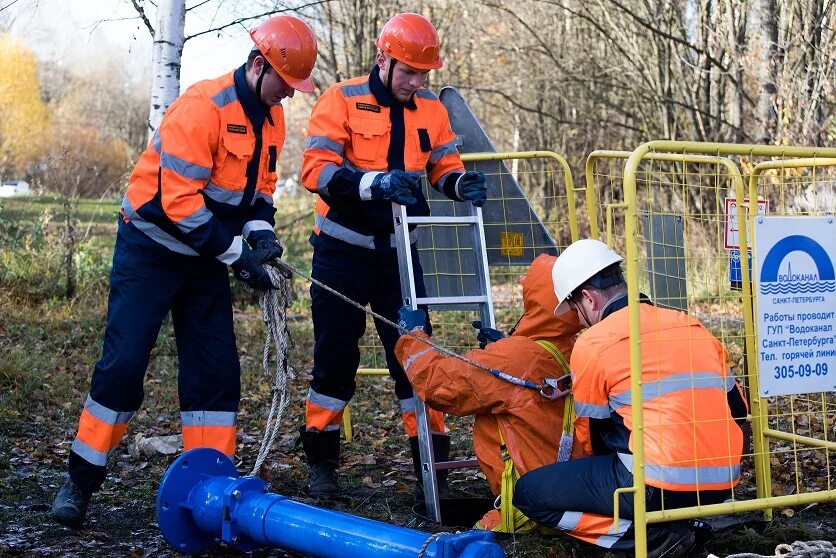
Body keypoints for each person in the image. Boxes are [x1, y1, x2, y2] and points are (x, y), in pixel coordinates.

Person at [50, 15, 318, 529]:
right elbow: (179, 203)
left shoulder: (272, 116)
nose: (288, 96)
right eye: (285, 84)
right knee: (124, 364)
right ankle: (80, 481)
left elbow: (261, 190)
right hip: (151, 248)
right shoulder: (201, 107)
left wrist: (260, 234)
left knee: (216, 373)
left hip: (205, 255)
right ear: (259, 65)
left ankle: (208, 488)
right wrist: (236, 255)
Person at [299, 12, 487, 498]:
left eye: (423, 73)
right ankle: (322, 460)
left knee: (418, 356)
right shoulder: (340, 99)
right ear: (382, 59)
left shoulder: (431, 109)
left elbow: (443, 165)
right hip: (341, 252)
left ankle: (432, 460)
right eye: (407, 71)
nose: (415, 81)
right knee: (335, 359)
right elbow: (316, 173)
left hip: (402, 256)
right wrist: (373, 184)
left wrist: (461, 183)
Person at [512, 239, 749, 557]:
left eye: (575, 310)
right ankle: (680, 525)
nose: (579, 320)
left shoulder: (594, 343)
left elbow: (591, 437)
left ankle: (650, 540)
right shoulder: (692, 326)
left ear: (588, 298)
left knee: (529, 493)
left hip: (655, 487)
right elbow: (738, 409)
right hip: (723, 482)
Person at [394, 254, 586, 532]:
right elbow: (533, 368)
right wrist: (509, 344)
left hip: (530, 506)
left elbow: (437, 384)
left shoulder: (512, 360)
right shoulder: (580, 348)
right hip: (576, 490)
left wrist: (414, 335)